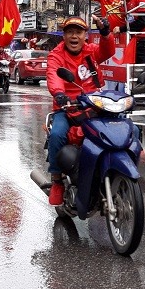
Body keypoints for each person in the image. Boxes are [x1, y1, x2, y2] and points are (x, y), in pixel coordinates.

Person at [45, 15, 114, 206]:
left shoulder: (91, 51)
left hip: (95, 104)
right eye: (69, 32)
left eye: (78, 32)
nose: (74, 36)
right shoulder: (56, 55)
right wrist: (60, 94)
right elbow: (53, 76)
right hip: (67, 107)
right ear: (63, 36)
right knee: (57, 134)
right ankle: (57, 181)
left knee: (123, 127)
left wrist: (106, 32)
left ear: (85, 35)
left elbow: (108, 51)